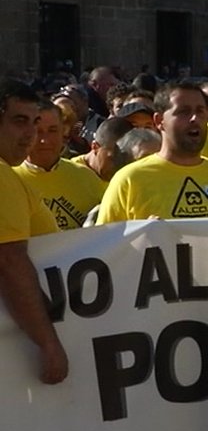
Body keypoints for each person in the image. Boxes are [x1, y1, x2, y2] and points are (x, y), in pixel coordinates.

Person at [97, 82, 208, 223]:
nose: (194, 118)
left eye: (200, 111)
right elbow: (105, 246)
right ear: (159, 121)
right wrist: (139, 236)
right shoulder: (129, 181)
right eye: (183, 112)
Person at [0, 78, 68, 384]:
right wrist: (48, 342)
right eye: (19, 122)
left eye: (35, 122)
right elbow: (10, 261)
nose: (31, 134)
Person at [14, 100, 104, 230]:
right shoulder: (9, 179)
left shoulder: (86, 177)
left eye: (52, 130)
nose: (45, 140)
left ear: (64, 131)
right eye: (38, 131)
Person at [71, 116, 134, 183]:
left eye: (125, 160)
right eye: (113, 159)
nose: (119, 166)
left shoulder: (129, 180)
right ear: (95, 147)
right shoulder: (71, 174)